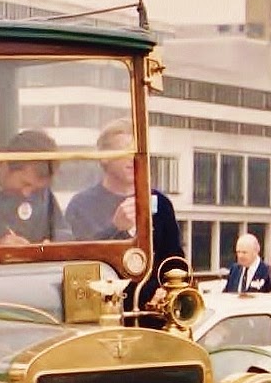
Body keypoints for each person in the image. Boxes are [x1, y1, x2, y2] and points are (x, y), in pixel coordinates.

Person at [65, 118, 183, 308]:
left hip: (151, 316)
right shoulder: (81, 205)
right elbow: (78, 265)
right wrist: (116, 228)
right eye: (125, 151)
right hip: (100, 314)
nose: (132, 159)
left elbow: (174, 260)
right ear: (104, 157)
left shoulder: (160, 203)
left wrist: (167, 291)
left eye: (137, 152)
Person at [0, 128, 70, 245]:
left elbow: (62, 232)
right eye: (25, 184)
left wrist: (52, 244)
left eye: (36, 188)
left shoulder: (41, 193)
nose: (27, 193)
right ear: (5, 164)